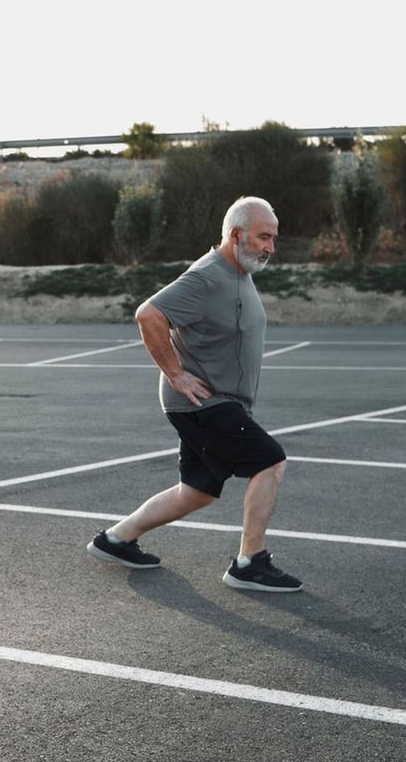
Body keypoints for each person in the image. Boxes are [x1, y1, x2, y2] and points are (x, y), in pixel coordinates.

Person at [86, 196, 302, 593]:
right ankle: (249, 563)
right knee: (270, 461)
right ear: (236, 235)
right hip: (203, 402)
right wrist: (177, 375)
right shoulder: (207, 276)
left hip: (219, 402)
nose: (271, 248)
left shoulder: (239, 270)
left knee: (197, 492)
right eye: (264, 237)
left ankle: (115, 539)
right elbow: (149, 314)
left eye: (273, 238)